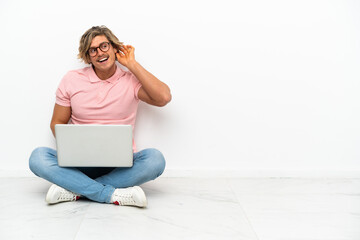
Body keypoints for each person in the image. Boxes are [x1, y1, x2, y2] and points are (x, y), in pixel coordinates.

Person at [29, 26, 171, 208]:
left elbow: (164, 98)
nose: (99, 53)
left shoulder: (131, 80)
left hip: (120, 164)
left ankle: (74, 189)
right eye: (93, 50)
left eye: (104, 46)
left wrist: (132, 64)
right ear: (88, 57)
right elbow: (57, 123)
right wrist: (74, 148)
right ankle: (109, 193)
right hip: (80, 162)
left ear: (114, 48)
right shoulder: (71, 79)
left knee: (155, 160)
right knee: (38, 157)